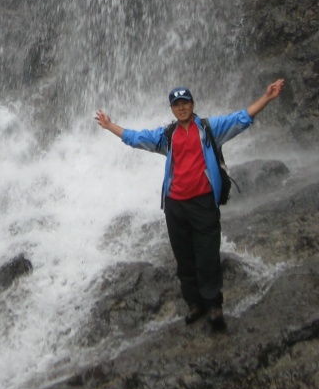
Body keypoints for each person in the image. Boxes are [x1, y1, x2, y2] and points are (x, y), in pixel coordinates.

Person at [94, 79, 284, 333]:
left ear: (193, 104)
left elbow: (241, 119)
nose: (181, 108)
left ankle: (214, 306)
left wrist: (267, 98)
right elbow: (137, 138)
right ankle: (194, 304)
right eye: (177, 104)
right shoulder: (167, 135)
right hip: (175, 205)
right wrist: (109, 126)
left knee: (207, 255)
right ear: (172, 108)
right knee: (184, 257)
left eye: (185, 103)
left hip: (203, 202)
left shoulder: (209, 128)